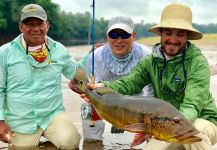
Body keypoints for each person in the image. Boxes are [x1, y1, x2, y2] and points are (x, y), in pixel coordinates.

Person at [84, 3, 217, 150]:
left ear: (187, 37)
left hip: (200, 120)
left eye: (180, 34)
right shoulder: (150, 61)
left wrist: (175, 126)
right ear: (161, 33)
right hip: (167, 123)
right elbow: (129, 84)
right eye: (168, 33)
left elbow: (192, 105)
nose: (173, 39)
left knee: (194, 137)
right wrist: (103, 87)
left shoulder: (198, 63)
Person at [0, 4, 80, 149]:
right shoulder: (4, 52)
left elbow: (77, 73)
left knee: (70, 141)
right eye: (29, 24)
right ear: (20, 27)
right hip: (20, 120)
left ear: (47, 26)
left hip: (52, 115)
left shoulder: (59, 49)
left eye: (40, 23)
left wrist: (94, 55)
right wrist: (0, 122)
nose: (35, 29)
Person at [80, 16, 152, 142]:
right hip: (106, 102)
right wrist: (114, 114)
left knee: (154, 114)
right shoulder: (95, 56)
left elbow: (150, 93)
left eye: (124, 35)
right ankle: (92, 142)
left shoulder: (147, 56)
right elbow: (94, 90)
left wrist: (123, 116)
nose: (119, 40)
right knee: (88, 108)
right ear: (107, 37)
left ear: (133, 36)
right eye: (114, 34)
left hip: (137, 104)